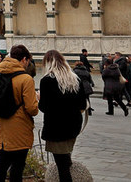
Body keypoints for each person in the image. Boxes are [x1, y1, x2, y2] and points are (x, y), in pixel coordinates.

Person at [0, 44, 39, 182]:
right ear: (24, 59)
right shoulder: (26, 79)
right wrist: (36, 99)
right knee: (18, 167)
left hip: (2, 125)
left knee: (2, 163)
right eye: (28, 61)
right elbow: (32, 109)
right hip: (20, 128)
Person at [39, 50, 87, 182]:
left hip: (56, 128)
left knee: (62, 166)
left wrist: (39, 98)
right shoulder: (75, 79)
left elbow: (43, 107)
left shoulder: (47, 81)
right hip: (74, 126)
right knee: (66, 159)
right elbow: (82, 105)